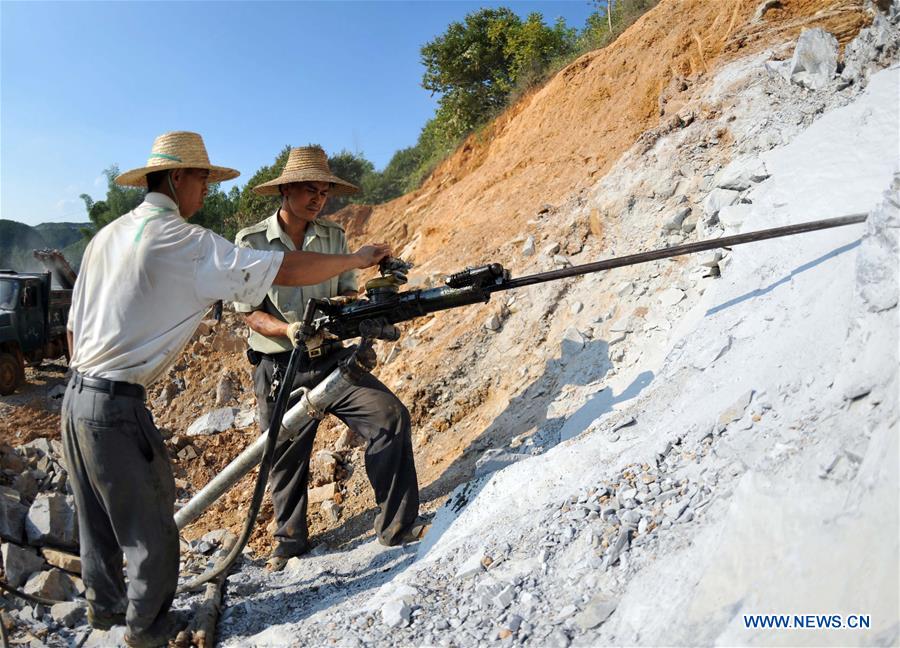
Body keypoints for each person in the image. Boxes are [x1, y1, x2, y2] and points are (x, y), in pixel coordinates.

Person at [62, 132, 390, 647]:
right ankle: (148, 632)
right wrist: (355, 259)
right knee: (152, 523)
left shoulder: (109, 236)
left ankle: (105, 621)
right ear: (177, 179)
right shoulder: (181, 239)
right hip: (115, 403)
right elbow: (283, 270)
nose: (208, 191)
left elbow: (73, 330)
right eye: (203, 179)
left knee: (97, 520)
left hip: (77, 396)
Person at [234, 146, 424, 572]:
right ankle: (289, 543)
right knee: (285, 456)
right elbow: (248, 311)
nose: (318, 198)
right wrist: (287, 329)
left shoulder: (334, 237)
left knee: (389, 417)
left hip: (331, 360)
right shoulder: (251, 242)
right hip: (280, 367)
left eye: (324, 191)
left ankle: (397, 528)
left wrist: (375, 291)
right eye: (309, 189)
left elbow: (345, 289)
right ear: (285, 190)